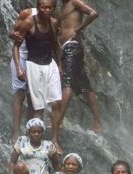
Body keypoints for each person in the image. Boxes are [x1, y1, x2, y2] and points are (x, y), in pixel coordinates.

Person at [13, 0, 64, 154]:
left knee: (56, 103)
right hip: (34, 66)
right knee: (38, 108)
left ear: (54, 8)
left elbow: (56, 44)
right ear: (38, 7)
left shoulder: (54, 23)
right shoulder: (29, 22)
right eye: (43, 7)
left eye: (50, 7)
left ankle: (54, 140)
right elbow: (15, 46)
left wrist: (60, 65)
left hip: (50, 64)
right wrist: (19, 68)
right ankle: (36, 142)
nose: (46, 10)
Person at [58, 0, 102, 134]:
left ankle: (58, 120)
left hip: (72, 47)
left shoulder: (75, 2)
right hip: (67, 48)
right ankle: (97, 123)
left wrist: (78, 29)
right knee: (85, 87)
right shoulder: (63, 5)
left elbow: (93, 14)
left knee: (68, 84)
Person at [8, 6, 37, 143]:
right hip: (21, 57)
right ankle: (16, 133)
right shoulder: (27, 13)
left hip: (37, 60)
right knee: (20, 94)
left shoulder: (53, 18)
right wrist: (12, 34)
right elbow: (13, 32)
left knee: (33, 98)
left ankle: (30, 131)